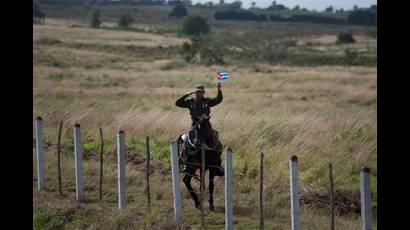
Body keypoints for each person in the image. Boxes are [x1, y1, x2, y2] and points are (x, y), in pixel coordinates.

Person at [175, 82, 224, 176]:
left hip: (206, 126)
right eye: (197, 92)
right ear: (195, 93)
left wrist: (219, 90)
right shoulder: (190, 102)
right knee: (187, 141)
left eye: (201, 92)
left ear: (204, 93)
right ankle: (185, 164)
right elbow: (178, 103)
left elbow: (218, 99)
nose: (199, 93)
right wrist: (187, 94)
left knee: (216, 142)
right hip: (195, 126)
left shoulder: (207, 101)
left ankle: (217, 166)